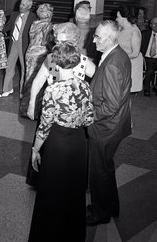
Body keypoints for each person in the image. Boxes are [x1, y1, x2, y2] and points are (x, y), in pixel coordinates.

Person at [28, 43, 93, 242]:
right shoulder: (85, 85)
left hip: (59, 143)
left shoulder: (53, 90)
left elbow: (44, 126)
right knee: (73, 191)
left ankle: (49, 234)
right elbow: (90, 118)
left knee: (52, 190)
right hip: (79, 142)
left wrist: (35, 150)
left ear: (55, 62)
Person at [86, 20, 132, 226]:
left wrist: (86, 115)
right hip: (115, 125)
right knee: (106, 168)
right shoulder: (118, 54)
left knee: (98, 172)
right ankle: (112, 206)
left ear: (111, 39)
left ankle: (100, 212)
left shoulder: (113, 63)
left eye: (97, 37)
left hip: (105, 128)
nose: (93, 39)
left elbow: (111, 105)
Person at [26, 22, 96, 121]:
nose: (59, 46)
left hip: (75, 113)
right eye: (57, 42)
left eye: (63, 42)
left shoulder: (83, 61)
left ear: (74, 43)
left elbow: (99, 79)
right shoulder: (50, 59)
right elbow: (38, 82)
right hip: (52, 111)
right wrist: (31, 103)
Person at [0, 0, 37, 97]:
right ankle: (7, 89)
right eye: (21, 3)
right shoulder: (15, 14)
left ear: (29, 7)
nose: (21, 6)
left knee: (24, 68)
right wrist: (2, 22)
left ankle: (22, 91)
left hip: (24, 45)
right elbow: (6, 28)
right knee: (9, 65)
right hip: (13, 43)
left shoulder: (33, 17)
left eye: (24, 4)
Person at [20, 3, 54, 109]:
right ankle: (35, 107)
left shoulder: (34, 23)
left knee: (29, 78)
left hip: (30, 52)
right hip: (40, 54)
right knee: (39, 81)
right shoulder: (48, 25)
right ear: (48, 14)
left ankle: (25, 105)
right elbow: (44, 42)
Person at [116, 5, 143, 93]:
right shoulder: (120, 28)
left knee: (125, 91)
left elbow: (135, 53)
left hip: (131, 64)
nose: (116, 19)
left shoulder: (134, 32)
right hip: (120, 62)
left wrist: (119, 57)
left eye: (118, 17)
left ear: (125, 19)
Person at [141, 17, 157, 96]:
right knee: (150, 70)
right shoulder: (144, 34)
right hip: (147, 58)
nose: (156, 25)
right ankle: (147, 89)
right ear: (150, 25)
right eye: (154, 24)